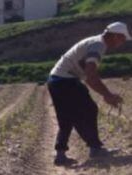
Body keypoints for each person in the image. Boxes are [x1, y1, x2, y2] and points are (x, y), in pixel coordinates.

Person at [48, 22, 130, 166]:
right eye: (123, 39)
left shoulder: (96, 41)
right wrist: (107, 94)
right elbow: (90, 75)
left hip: (58, 79)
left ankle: (64, 154)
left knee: (70, 116)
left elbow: (88, 75)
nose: (122, 43)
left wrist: (105, 93)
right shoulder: (98, 45)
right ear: (116, 36)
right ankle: (94, 149)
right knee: (86, 111)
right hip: (65, 81)